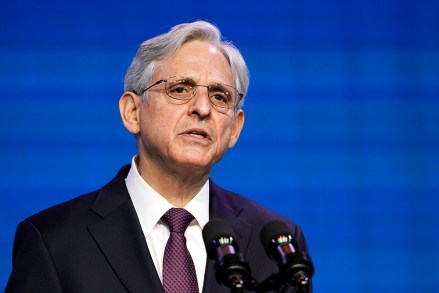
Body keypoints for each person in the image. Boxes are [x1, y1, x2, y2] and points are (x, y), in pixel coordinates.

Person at [6, 20, 312, 292]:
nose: (202, 109)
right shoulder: (53, 241)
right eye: (180, 89)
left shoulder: (277, 245)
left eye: (219, 97)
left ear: (235, 128)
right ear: (132, 112)